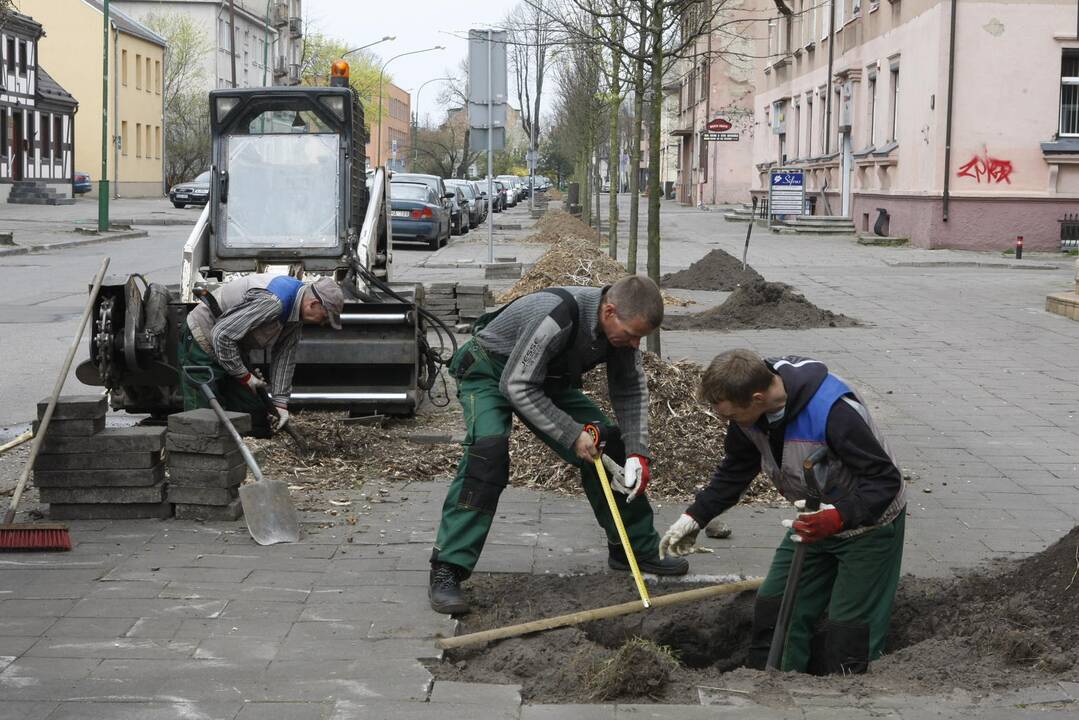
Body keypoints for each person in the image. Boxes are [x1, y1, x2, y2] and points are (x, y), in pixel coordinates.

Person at [429, 276, 690, 615]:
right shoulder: (556, 316)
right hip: (490, 373)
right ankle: (447, 568)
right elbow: (516, 385)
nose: (635, 344)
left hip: (545, 380)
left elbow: (630, 390)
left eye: (641, 337)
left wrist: (638, 451)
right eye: (631, 334)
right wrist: (572, 434)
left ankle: (633, 549)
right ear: (609, 310)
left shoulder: (621, 335)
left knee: (609, 444)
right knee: (488, 454)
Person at [660, 349, 906, 675]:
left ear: (758, 397)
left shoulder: (834, 413)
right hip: (812, 520)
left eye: (731, 416)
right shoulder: (749, 406)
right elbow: (736, 469)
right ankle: (769, 689)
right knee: (775, 607)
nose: (728, 424)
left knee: (849, 632)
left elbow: (885, 481)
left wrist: (837, 517)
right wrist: (694, 517)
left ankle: (847, 698)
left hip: (868, 526)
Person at [179, 273, 343, 437]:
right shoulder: (274, 302)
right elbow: (221, 335)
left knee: (254, 415)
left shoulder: (295, 314)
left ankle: (245, 451)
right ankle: (202, 457)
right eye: (325, 317)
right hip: (204, 338)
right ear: (313, 304)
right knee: (205, 415)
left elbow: (284, 357)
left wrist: (280, 403)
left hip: (232, 349)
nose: (323, 323)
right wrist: (244, 376)